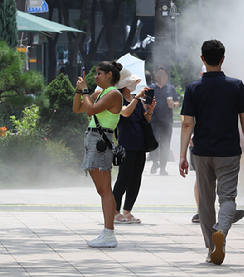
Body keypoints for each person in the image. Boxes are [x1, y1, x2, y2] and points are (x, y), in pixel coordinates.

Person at [179, 39, 244, 265]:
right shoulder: (236, 86)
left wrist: (183, 155)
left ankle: (212, 247)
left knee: (205, 202)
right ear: (223, 59)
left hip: (201, 152)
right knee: (228, 198)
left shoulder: (194, 88)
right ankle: (221, 230)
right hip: (228, 152)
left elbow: (187, 124)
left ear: (202, 59)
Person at [73, 61, 123, 248]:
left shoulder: (113, 94)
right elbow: (78, 108)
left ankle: (109, 233)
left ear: (109, 75)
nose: (95, 76)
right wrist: (80, 91)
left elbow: (90, 109)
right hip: (94, 140)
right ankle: (107, 233)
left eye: (98, 73)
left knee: (105, 190)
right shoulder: (101, 93)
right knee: (102, 190)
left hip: (101, 141)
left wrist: (86, 91)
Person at [191, 65, 244, 225]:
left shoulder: (195, 88)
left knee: (203, 181)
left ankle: (205, 214)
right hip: (224, 147)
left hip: (202, 146)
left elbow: (186, 120)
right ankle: (217, 216)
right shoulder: (231, 86)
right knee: (225, 192)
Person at [113, 69, 156, 224]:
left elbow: (144, 120)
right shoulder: (118, 98)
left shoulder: (135, 99)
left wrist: (149, 110)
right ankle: (115, 210)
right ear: (124, 84)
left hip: (140, 144)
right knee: (123, 178)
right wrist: (137, 99)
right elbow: (125, 113)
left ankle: (127, 210)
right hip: (126, 144)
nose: (135, 84)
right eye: (131, 81)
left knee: (136, 178)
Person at [148, 65, 179, 175]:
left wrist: (173, 105)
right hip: (154, 121)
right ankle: (155, 162)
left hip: (167, 121)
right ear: (155, 76)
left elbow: (177, 102)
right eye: (159, 75)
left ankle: (162, 168)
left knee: (166, 144)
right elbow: (145, 104)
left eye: (163, 75)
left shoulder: (170, 89)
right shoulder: (151, 89)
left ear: (166, 76)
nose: (161, 77)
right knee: (154, 143)